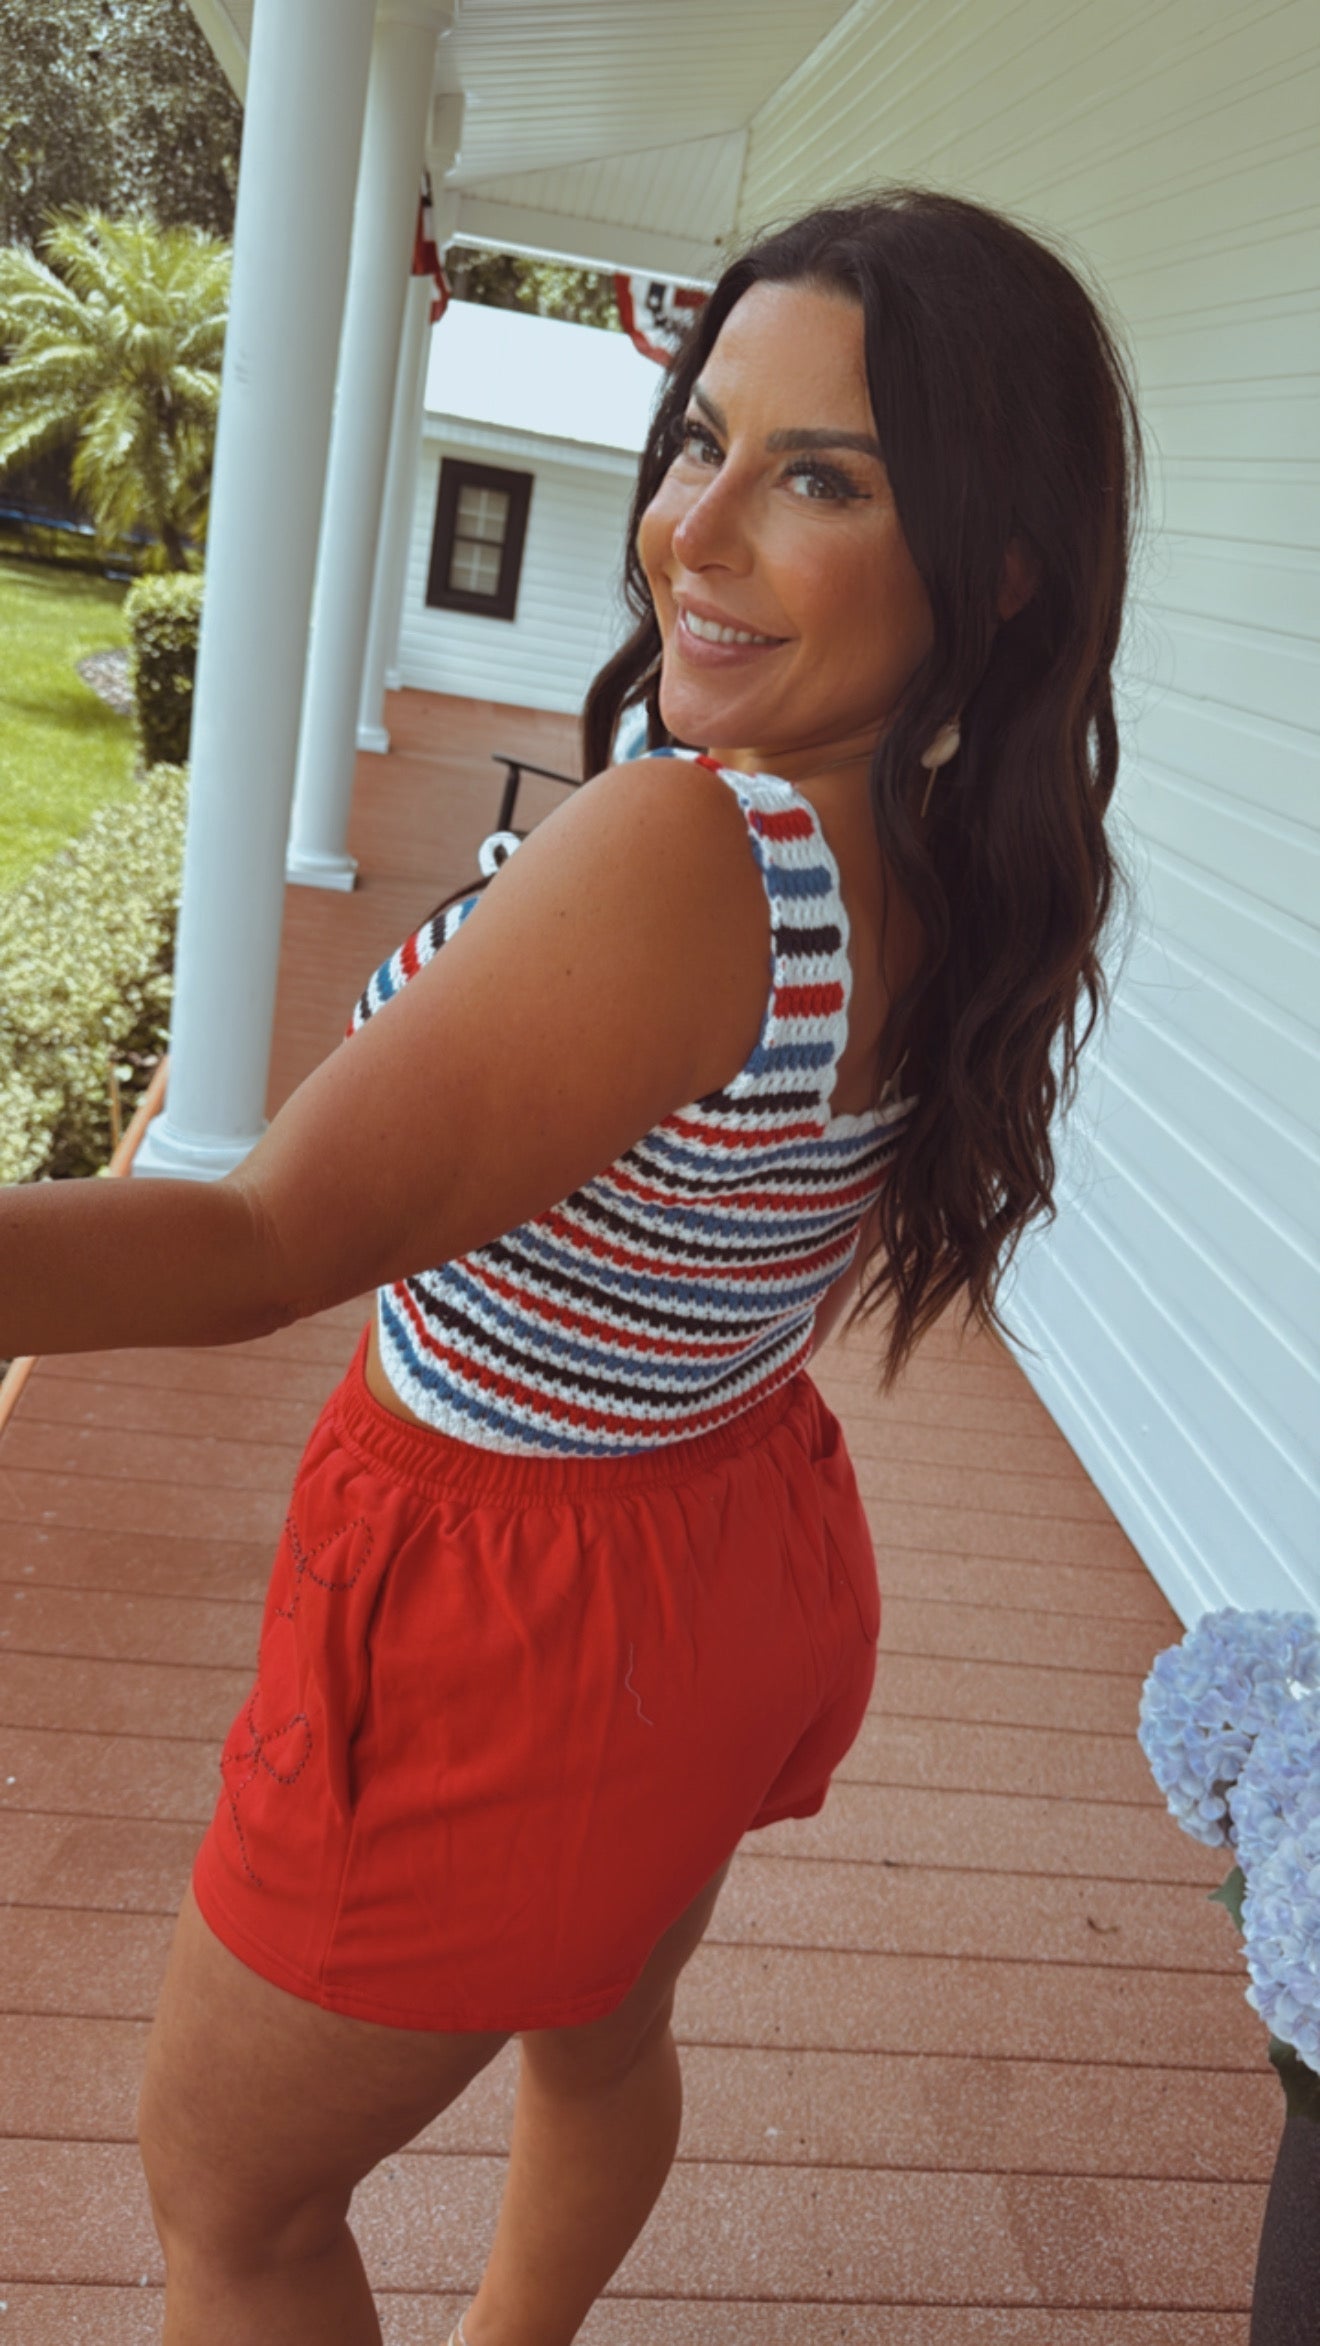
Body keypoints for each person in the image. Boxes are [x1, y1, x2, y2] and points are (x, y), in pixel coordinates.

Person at [0, 187, 1141, 2345]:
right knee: (598, 2046)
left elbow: (257, 1238)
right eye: (705, 435)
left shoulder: (690, 845)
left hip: (501, 1624)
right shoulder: (937, 855)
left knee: (227, 2204)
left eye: (823, 476)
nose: (694, 529)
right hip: (709, 1554)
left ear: (994, 568)